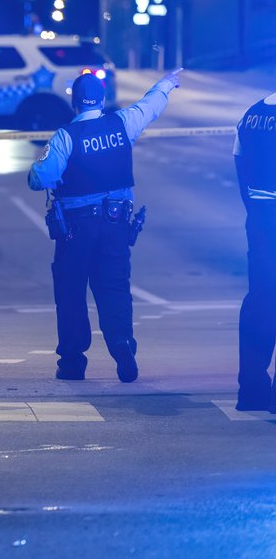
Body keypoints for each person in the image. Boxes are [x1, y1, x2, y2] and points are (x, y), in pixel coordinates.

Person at [28, 68, 182, 382]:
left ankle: (72, 362)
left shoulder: (65, 137)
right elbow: (150, 105)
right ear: (102, 99)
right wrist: (166, 83)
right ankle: (122, 344)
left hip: (76, 230)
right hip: (116, 225)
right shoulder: (122, 123)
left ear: (74, 103)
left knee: (71, 292)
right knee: (114, 288)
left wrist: (37, 169)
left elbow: (40, 178)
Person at [234, 90, 276, 412]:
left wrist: (253, 207)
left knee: (261, 298)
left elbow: (238, 160)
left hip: (260, 216)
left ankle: (251, 388)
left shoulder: (252, 114)